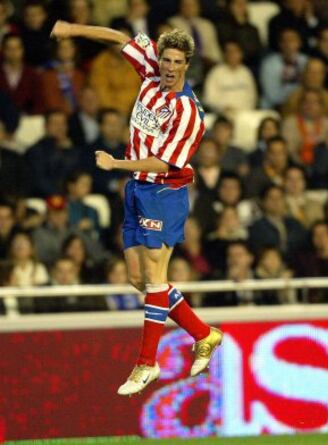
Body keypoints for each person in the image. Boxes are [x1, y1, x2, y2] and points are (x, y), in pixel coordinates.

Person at [50, 20, 223, 396]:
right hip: (137, 189)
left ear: (187, 64)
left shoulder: (188, 112)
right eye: (165, 59)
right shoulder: (149, 69)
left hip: (164, 193)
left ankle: (146, 362)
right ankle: (203, 333)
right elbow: (120, 38)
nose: (169, 67)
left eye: (177, 61)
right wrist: (71, 29)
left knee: (156, 278)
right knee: (138, 280)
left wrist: (115, 165)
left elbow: (164, 163)